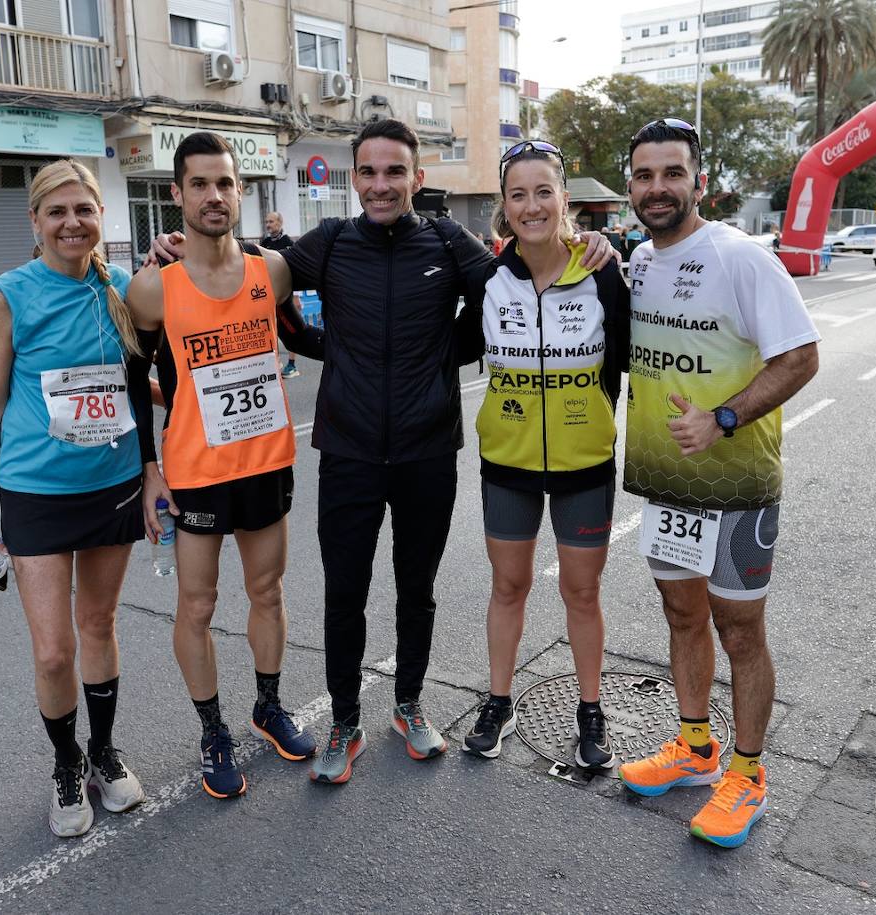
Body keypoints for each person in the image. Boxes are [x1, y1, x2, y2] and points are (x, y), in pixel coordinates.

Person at [152, 119, 616, 786]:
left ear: (416, 179)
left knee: (416, 591)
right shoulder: (333, 242)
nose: (380, 184)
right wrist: (180, 248)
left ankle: (408, 704)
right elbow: (254, 271)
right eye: (367, 172)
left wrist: (586, 241)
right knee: (345, 593)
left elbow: (513, 279)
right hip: (348, 450)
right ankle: (345, 719)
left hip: (428, 449)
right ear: (354, 180)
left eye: (394, 172)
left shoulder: (448, 241)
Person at [615, 117, 820, 849]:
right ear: (631, 186)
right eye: (645, 175)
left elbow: (801, 357)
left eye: (673, 173)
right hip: (665, 485)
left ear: (699, 180)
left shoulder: (741, 257)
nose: (658, 187)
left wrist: (724, 417)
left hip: (736, 486)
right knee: (680, 615)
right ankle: (696, 746)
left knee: (740, 630)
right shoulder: (639, 260)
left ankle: (750, 770)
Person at [127, 133, 324, 800]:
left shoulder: (273, 270)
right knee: (198, 603)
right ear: (177, 194)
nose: (215, 195)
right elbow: (134, 376)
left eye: (226, 183)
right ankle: (213, 731)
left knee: (268, 590)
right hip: (196, 470)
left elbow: (302, 336)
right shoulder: (154, 288)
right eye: (201, 184)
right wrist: (148, 464)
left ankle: (267, 705)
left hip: (265, 459)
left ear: (241, 191)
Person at [0, 159, 148, 838]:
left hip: (113, 484)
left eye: (85, 210)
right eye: (58, 212)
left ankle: (103, 752)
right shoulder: (8, 296)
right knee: (52, 651)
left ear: (102, 217)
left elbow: (138, 385)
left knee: (98, 626)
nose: (73, 223)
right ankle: (66, 760)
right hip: (37, 491)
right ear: (35, 222)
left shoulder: (124, 289)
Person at [454, 141, 629, 766]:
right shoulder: (488, 279)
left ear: (563, 199)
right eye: (518, 194)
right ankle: (498, 702)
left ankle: (590, 711)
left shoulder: (605, 271)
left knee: (582, 593)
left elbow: (623, 365)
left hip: (585, 463)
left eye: (543, 192)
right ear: (504, 206)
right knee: (509, 584)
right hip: (508, 463)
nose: (532, 206)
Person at [260, 212, 302, 379]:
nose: (268, 224)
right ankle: (276, 361)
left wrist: (296, 296)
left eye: (271, 221)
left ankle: (292, 365)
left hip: (286, 295)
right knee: (271, 330)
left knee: (291, 329)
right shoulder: (265, 243)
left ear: (279, 222)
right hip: (268, 295)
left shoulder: (288, 243)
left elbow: (295, 270)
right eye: (266, 221)